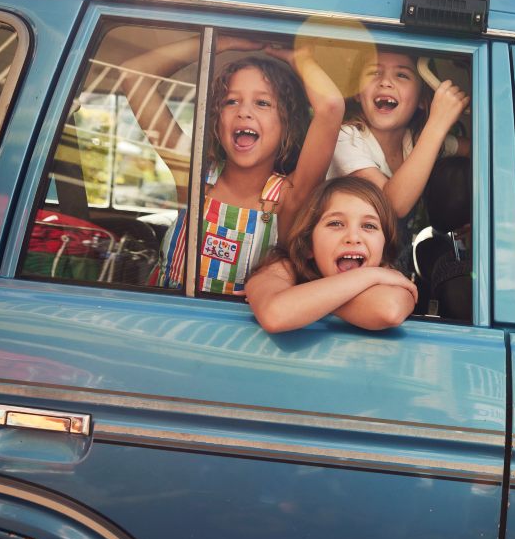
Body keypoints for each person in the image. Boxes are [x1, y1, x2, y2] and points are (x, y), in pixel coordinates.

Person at [121, 34, 344, 295]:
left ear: (287, 127)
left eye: (262, 103)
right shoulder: (193, 176)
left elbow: (330, 106)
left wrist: (300, 59)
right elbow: (133, 75)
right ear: (217, 120)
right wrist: (217, 42)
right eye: (231, 101)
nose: (244, 112)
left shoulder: (288, 198)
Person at [246, 177, 418, 332]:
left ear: (383, 247)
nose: (353, 237)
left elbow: (389, 310)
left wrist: (299, 300)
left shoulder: (392, 280)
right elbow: (275, 315)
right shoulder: (280, 267)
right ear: (307, 245)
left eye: (369, 226)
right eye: (336, 223)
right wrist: (373, 275)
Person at [326, 50, 469, 219]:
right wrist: (438, 123)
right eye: (374, 73)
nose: (385, 82)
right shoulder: (346, 137)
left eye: (402, 75)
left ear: (422, 99)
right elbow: (392, 205)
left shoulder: (415, 141)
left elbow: (482, 153)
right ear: (358, 93)